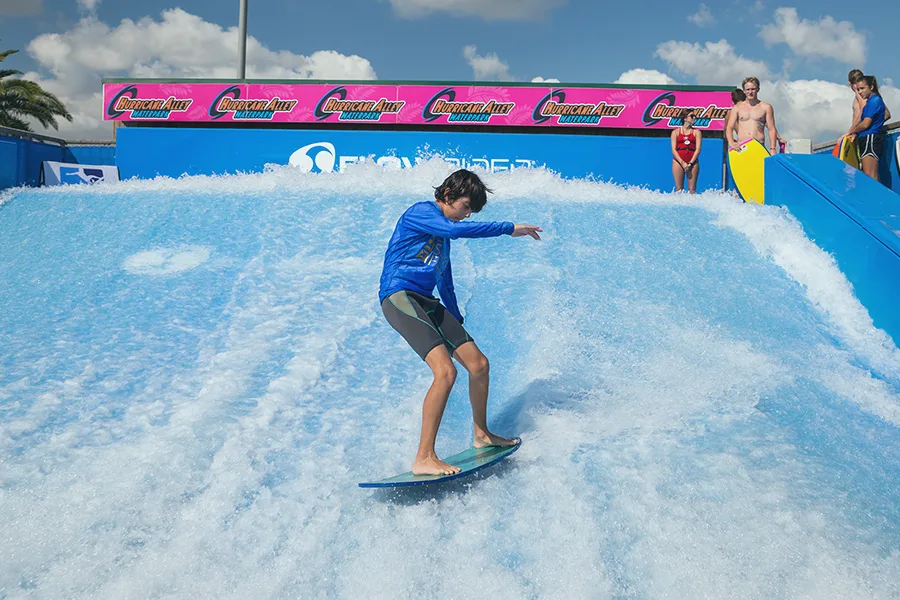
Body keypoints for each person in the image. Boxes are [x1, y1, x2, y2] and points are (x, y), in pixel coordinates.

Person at [378, 169, 543, 475]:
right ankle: (424, 457)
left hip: (426, 301)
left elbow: (445, 281)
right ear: (448, 195)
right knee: (445, 372)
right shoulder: (420, 212)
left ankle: (482, 435)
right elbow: (452, 230)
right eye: (466, 207)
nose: (467, 215)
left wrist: (454, 317)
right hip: (399, 296)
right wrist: (508, 228)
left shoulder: (442, 240)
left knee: (479, 364)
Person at [724, 77, 784, 154]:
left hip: (759, 146)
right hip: (741, 147)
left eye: (753, 89)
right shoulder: (737, 108)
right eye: (748, 89)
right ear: (744, 91)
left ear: (758, 89)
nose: (750, 92)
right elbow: (729, 127)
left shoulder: (766, 107)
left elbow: (771, 128)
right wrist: (731, 142)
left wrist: (773, 148)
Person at [845, 75, 887, 182]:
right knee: (871, 175)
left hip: (870, 139)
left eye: (862, 88)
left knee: (870, 176)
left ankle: (874, 193)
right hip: (868, 138)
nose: (860, 92)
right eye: (858, 89)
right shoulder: (871, 101)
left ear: (871, 87)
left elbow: (865, 124)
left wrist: (850, 132)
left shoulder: (874, 101)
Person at [670, 109, 702, 193]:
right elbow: (673, 150)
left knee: (692, 189)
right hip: (678, 162)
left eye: (694, 116)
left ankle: (692, 202)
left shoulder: (696, 132)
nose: (694, 118)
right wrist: (682, 162)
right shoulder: (675, 132)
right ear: (685, 118)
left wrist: (690, 163)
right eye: (692, 116)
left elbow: (698, 149)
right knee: (679, 188)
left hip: (692, 162)